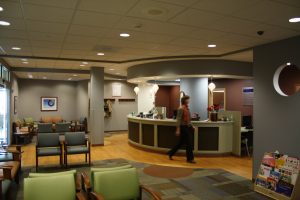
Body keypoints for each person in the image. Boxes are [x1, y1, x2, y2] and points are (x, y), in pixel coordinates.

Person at [168, 95, 196, 164]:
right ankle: (190, 159)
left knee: (181, 143)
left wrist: (192, 126)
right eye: (188, 99)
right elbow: (178, 120)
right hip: (183, 128)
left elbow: (188, 120)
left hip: (187, 127)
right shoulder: (181, 108)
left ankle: (171, 153)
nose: (189, 100)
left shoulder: (187, 108)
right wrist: (178, 129)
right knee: (189, 143)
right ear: (184, 100)